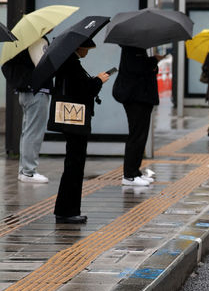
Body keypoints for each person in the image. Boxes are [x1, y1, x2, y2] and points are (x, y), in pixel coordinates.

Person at [52, 40, 110, 225]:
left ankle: (66, 210)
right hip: (75, 123)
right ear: (79, 47)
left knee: (73, 164)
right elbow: (83, 91)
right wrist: (98, 81)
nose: (88, 52)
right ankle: (67, 211)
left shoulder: (68, 63)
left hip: (73, 122)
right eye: (87, 48)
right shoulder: (72, 65)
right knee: (74, 166)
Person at [2, 35, 52, 183]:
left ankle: (24, 170)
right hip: (37, 92)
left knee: (28, 131)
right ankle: (29, 171)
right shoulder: (38, 40)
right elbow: (43, 65)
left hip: (27, 92)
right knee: (33, 132)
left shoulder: (26, 41)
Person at [111, 45, 164, 186]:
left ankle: (135, 172)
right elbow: (137, 69)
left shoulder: (138, 48)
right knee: (136, 136)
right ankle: (129, 175)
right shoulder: (131, 48)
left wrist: (152, 63)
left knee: (141, 136)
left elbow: (144, 69)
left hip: (142, 98)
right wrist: (154, 60)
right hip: (136, 99)